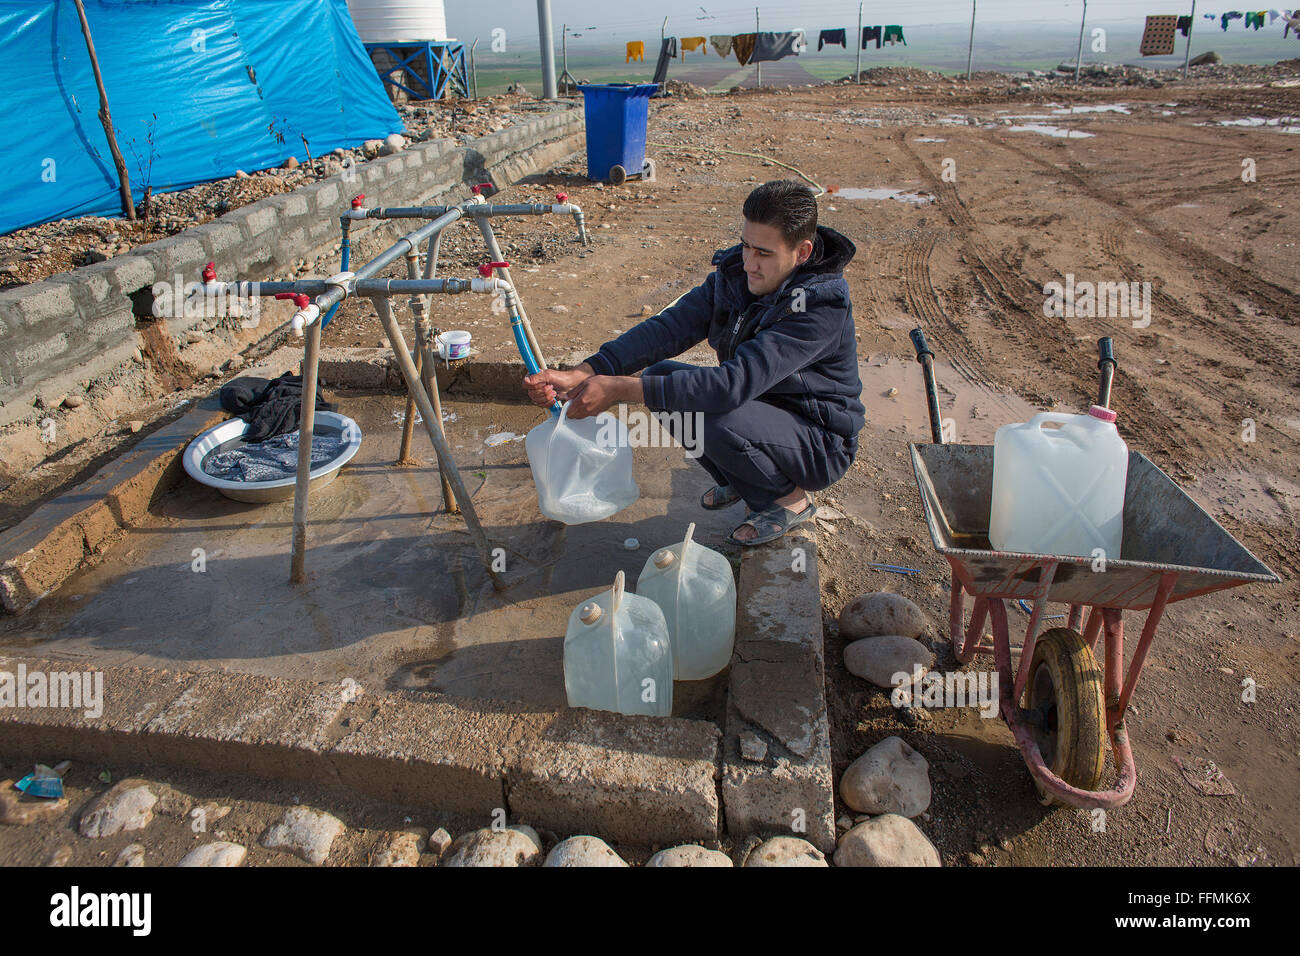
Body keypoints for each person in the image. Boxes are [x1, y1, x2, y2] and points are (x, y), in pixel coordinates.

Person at [523, 179, 865, 545]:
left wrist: (622, 389)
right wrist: (589, 369)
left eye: (764, 253)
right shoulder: (736, 277)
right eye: (747, 245)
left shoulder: (819, 305)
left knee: (711, 412)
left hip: (818, 441)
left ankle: (788, 500)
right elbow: (670, 328)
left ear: (802, 252)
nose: (750, 263)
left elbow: (732, 386)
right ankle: (745, 477)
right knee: (661, 377)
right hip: (764, 413)